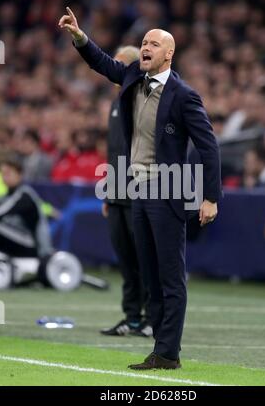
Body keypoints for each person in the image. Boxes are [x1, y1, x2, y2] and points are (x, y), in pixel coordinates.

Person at [59, 7, 222, 370]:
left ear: (169, 54)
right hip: (138, 190)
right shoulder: (133, 75)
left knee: (169, 275)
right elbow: (102, 63)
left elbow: (209, 146)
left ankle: (168, 352)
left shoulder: (184, 95)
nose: (144, 47)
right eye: (143, 42)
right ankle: (158, 344)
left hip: (168, 191)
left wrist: (210, 197)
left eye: (153, 43)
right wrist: (79, 36)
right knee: (149, 272)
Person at [101, 45, 152, 337]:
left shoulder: (143, 98)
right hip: (117, 193)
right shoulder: (116, 102)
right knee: (126, 260)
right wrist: (108, 192)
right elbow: (113, 151)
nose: (113, 69)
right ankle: (132, 317)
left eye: (119, 64)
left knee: (146, 258)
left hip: (140, 192)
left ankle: (152, 318)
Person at [0, 154, 53, 259]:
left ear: (19, 174)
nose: (5, 177)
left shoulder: (25, 195)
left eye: (8, 173)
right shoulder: (6, 196)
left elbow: (2, 212)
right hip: (17, 241)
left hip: (34, 246)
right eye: (3, 174)